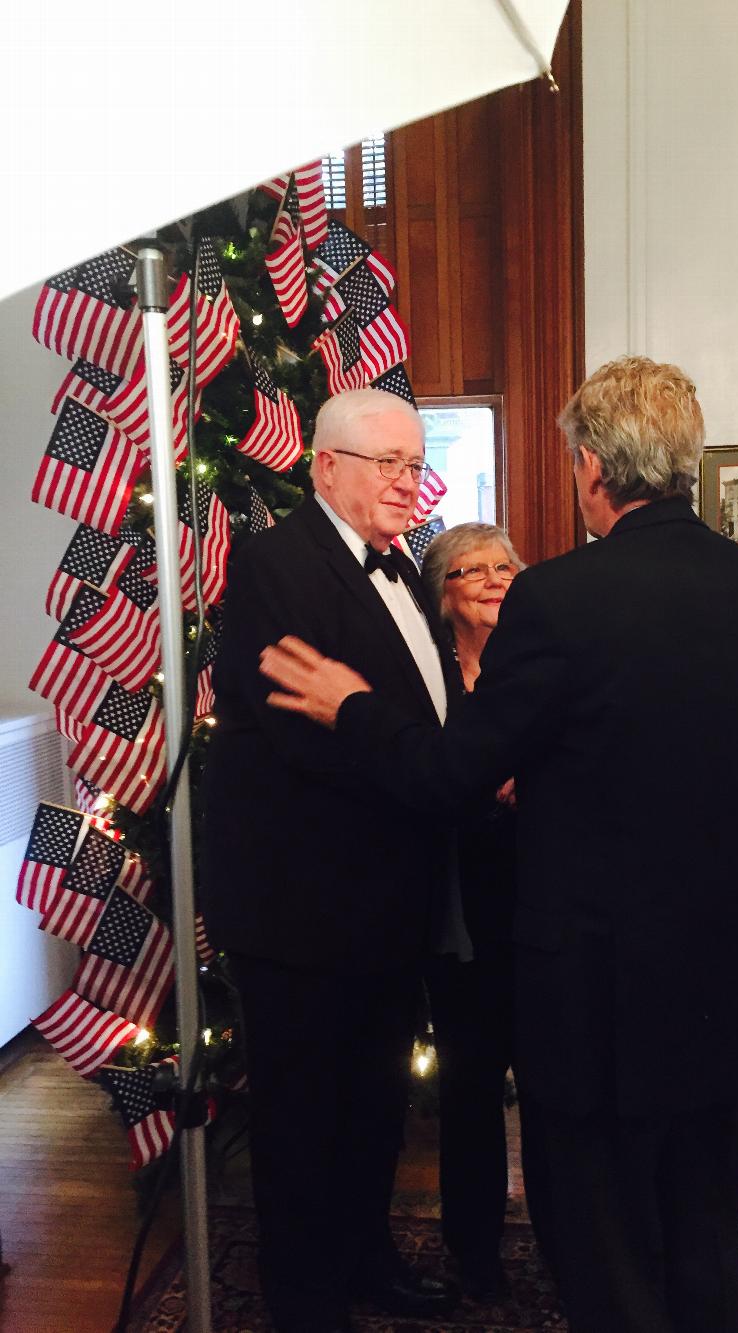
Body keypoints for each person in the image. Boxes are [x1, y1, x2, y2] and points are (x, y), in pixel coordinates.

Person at [258, 356, 738, 1333]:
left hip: (600, 983)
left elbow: (448, 772)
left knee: (605, 1241)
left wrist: (354, 706)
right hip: (726, 967)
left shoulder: (558, 598)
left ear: (590, 467)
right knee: (704, 1230)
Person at [199, 388, 460, 1333]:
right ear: (326, 467)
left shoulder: (403, 571)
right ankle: (306, 1303)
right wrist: (435, 777)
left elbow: (418, 721)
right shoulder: (279, 564)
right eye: (385, 462)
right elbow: (304, 736)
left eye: (415, 462)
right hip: (303, 913)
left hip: (389, 908)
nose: (406, 482)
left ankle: (366, 1260)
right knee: (306, 1121)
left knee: (374, 1108)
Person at [419, 522, 523, 1297]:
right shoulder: (423, 674)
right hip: (458, 908)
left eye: (504, 566)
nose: (492, 578)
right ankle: (474, 1250)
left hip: (545, 900)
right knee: (471, 1084)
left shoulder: (540, 664)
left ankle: (569, 1236)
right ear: (442, 591)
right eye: (470, 569)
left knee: (558, 1087)